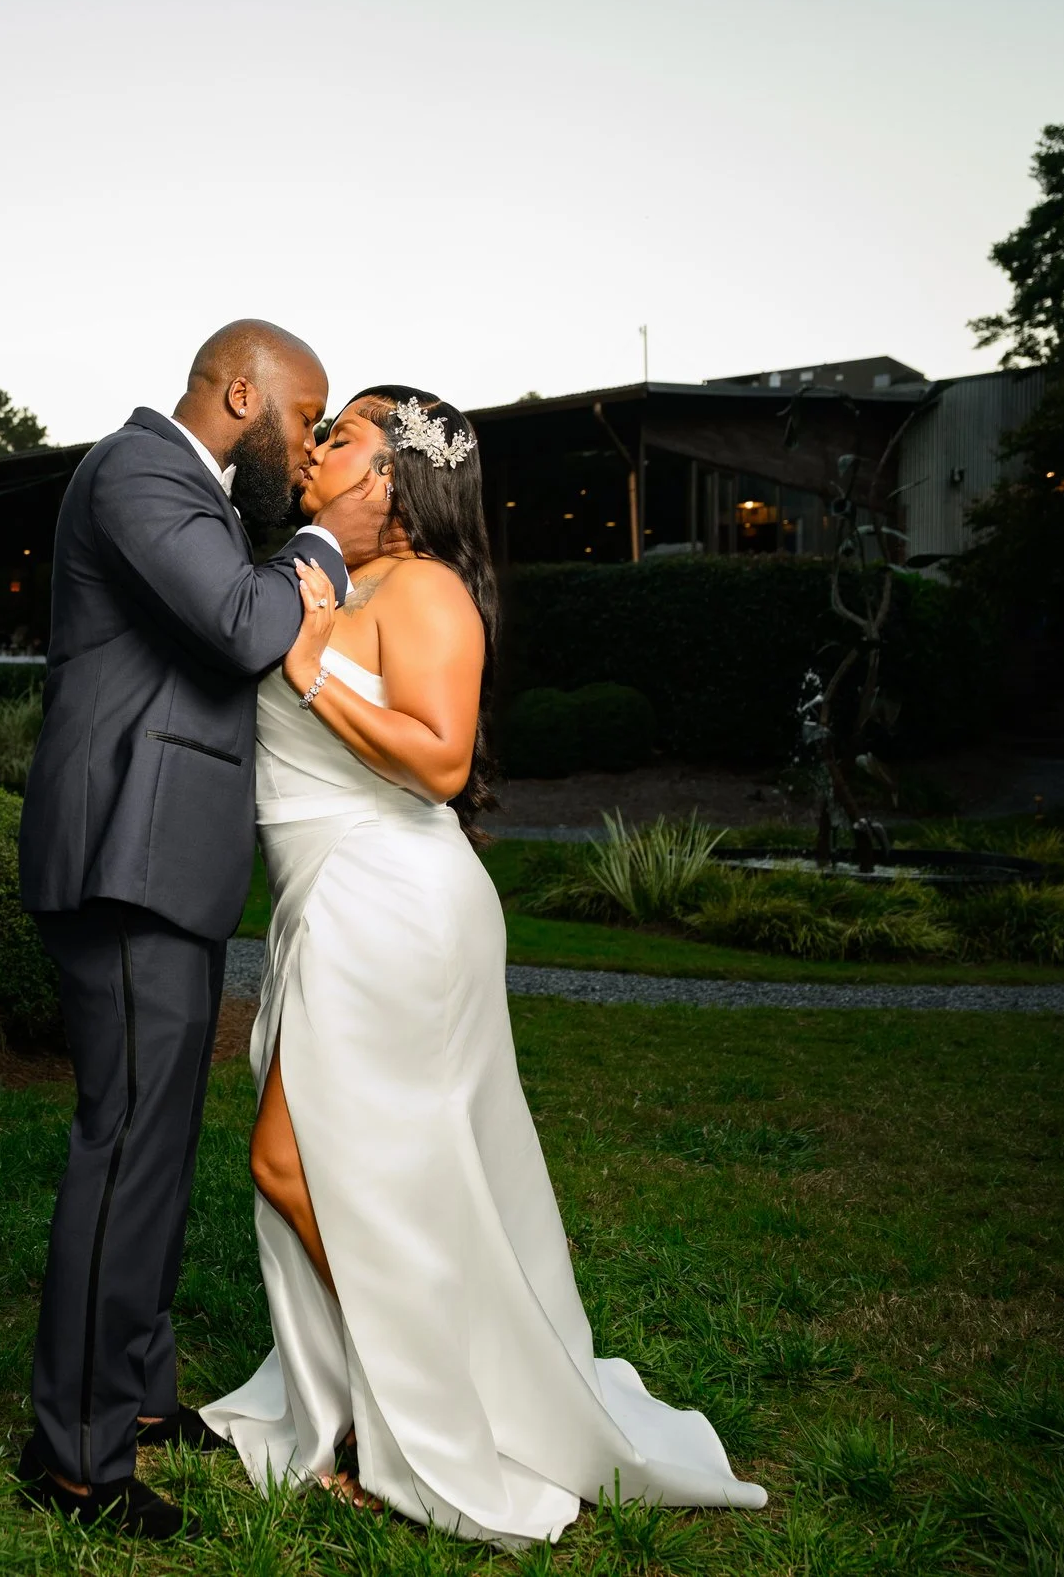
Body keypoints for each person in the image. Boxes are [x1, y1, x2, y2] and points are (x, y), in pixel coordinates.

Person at [199, 388, 767, 1546]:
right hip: (325, 899)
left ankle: (427, 1410)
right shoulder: (331, 578)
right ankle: (396, 1397)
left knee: (293, 1163)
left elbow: (443, 759)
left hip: (392, 901)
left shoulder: (426, 588)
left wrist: (309, 667)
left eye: (340, 433)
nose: (313, 447)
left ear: (392, 477)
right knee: (357, 1173)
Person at [14, 321, 394, 1538]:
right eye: (310, 412)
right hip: (123, 860)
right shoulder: (137, 471)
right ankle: (73, 1458)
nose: (317, 437)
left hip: (159, 863)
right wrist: (332, 540)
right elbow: (241, 627)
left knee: (158, 1147)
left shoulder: (193, 495)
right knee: (126, 1146)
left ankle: (129, 1393)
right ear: (245, 393)